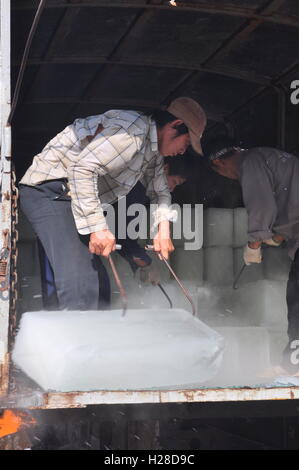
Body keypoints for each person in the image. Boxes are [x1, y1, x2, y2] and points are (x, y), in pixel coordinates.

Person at [19, 97, 207, 311]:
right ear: (175, 126)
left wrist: (163, 230)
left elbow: (160, 191)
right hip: (50, 190)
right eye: (186, 143)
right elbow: (82, 169)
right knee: (82, 284)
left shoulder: (152, 151)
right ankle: (75, 340)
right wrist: (98, 228)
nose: (183, 151)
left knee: (99, 283)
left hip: (71, 198)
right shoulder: (132, 133)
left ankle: (88, 335)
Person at [205, 136, 299, 376]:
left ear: (219, 163)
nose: (230, 178)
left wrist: (254, 244)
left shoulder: (250, 162)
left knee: (298, 300)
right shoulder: (271, 157)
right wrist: (276, 236)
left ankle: (293, 365)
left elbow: (262, 205)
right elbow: (288, 204)